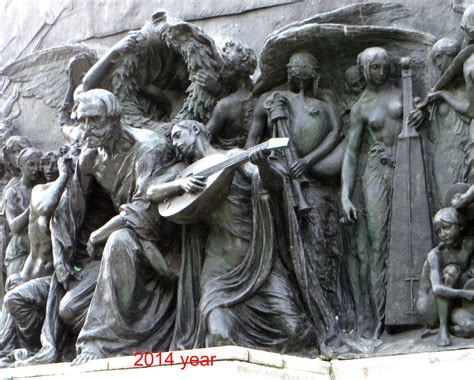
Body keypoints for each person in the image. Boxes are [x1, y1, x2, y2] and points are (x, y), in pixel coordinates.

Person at [149, 120, 315, 352]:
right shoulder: (185, 172)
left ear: (196, 130)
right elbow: (151, 191)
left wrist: (264, 166)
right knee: (219, 337)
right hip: (219, 267)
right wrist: (179, 184)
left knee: (298, 332)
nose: (175, 144)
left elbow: (273, 184)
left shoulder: (233, 156)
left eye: (178, 135)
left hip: (258, 256)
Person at [341, 47, 402, 338]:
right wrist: (344, 194)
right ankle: (382, 318)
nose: (382, 72)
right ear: (365, 70)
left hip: (406, 165)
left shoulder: (403, 90)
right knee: (379, 246)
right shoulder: (361, 107)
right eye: (375, 67)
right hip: (376, 172)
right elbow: (351, 154)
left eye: (384, 66)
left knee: (408, 233)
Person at [417, 208, 474, 346]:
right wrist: (465, 293)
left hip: (453, 306)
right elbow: (437, 289)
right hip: (431, 311)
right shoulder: (436, 255)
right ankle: (442, 329)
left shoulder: (470, 245)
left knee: (470, 327)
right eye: (438, 231)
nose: (443, 234)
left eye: (446, 228)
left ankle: (449, 326)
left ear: (460, 226)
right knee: (451, 271)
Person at [203, 41, 257, 149]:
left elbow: (203, 139)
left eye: (227, 67)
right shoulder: (260, 95)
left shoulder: (225, 106)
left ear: (241, 72)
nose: (221, 71)